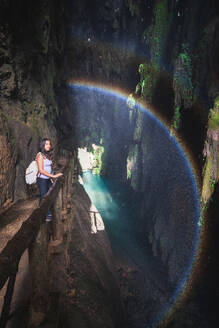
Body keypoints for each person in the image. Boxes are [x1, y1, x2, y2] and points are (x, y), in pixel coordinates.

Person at [36, 138, 63, 222]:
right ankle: (43, 215)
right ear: (42, 145)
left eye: (49, 144)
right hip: (41, 179)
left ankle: (45, 212)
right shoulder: (40, 155)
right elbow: (40, 170)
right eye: (46, 144)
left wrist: (51, 177)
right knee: (43, 196)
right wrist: (53, 176)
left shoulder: (47, 155)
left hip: (47, 179)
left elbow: (49, 168)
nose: (48, 146)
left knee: (49, 195)